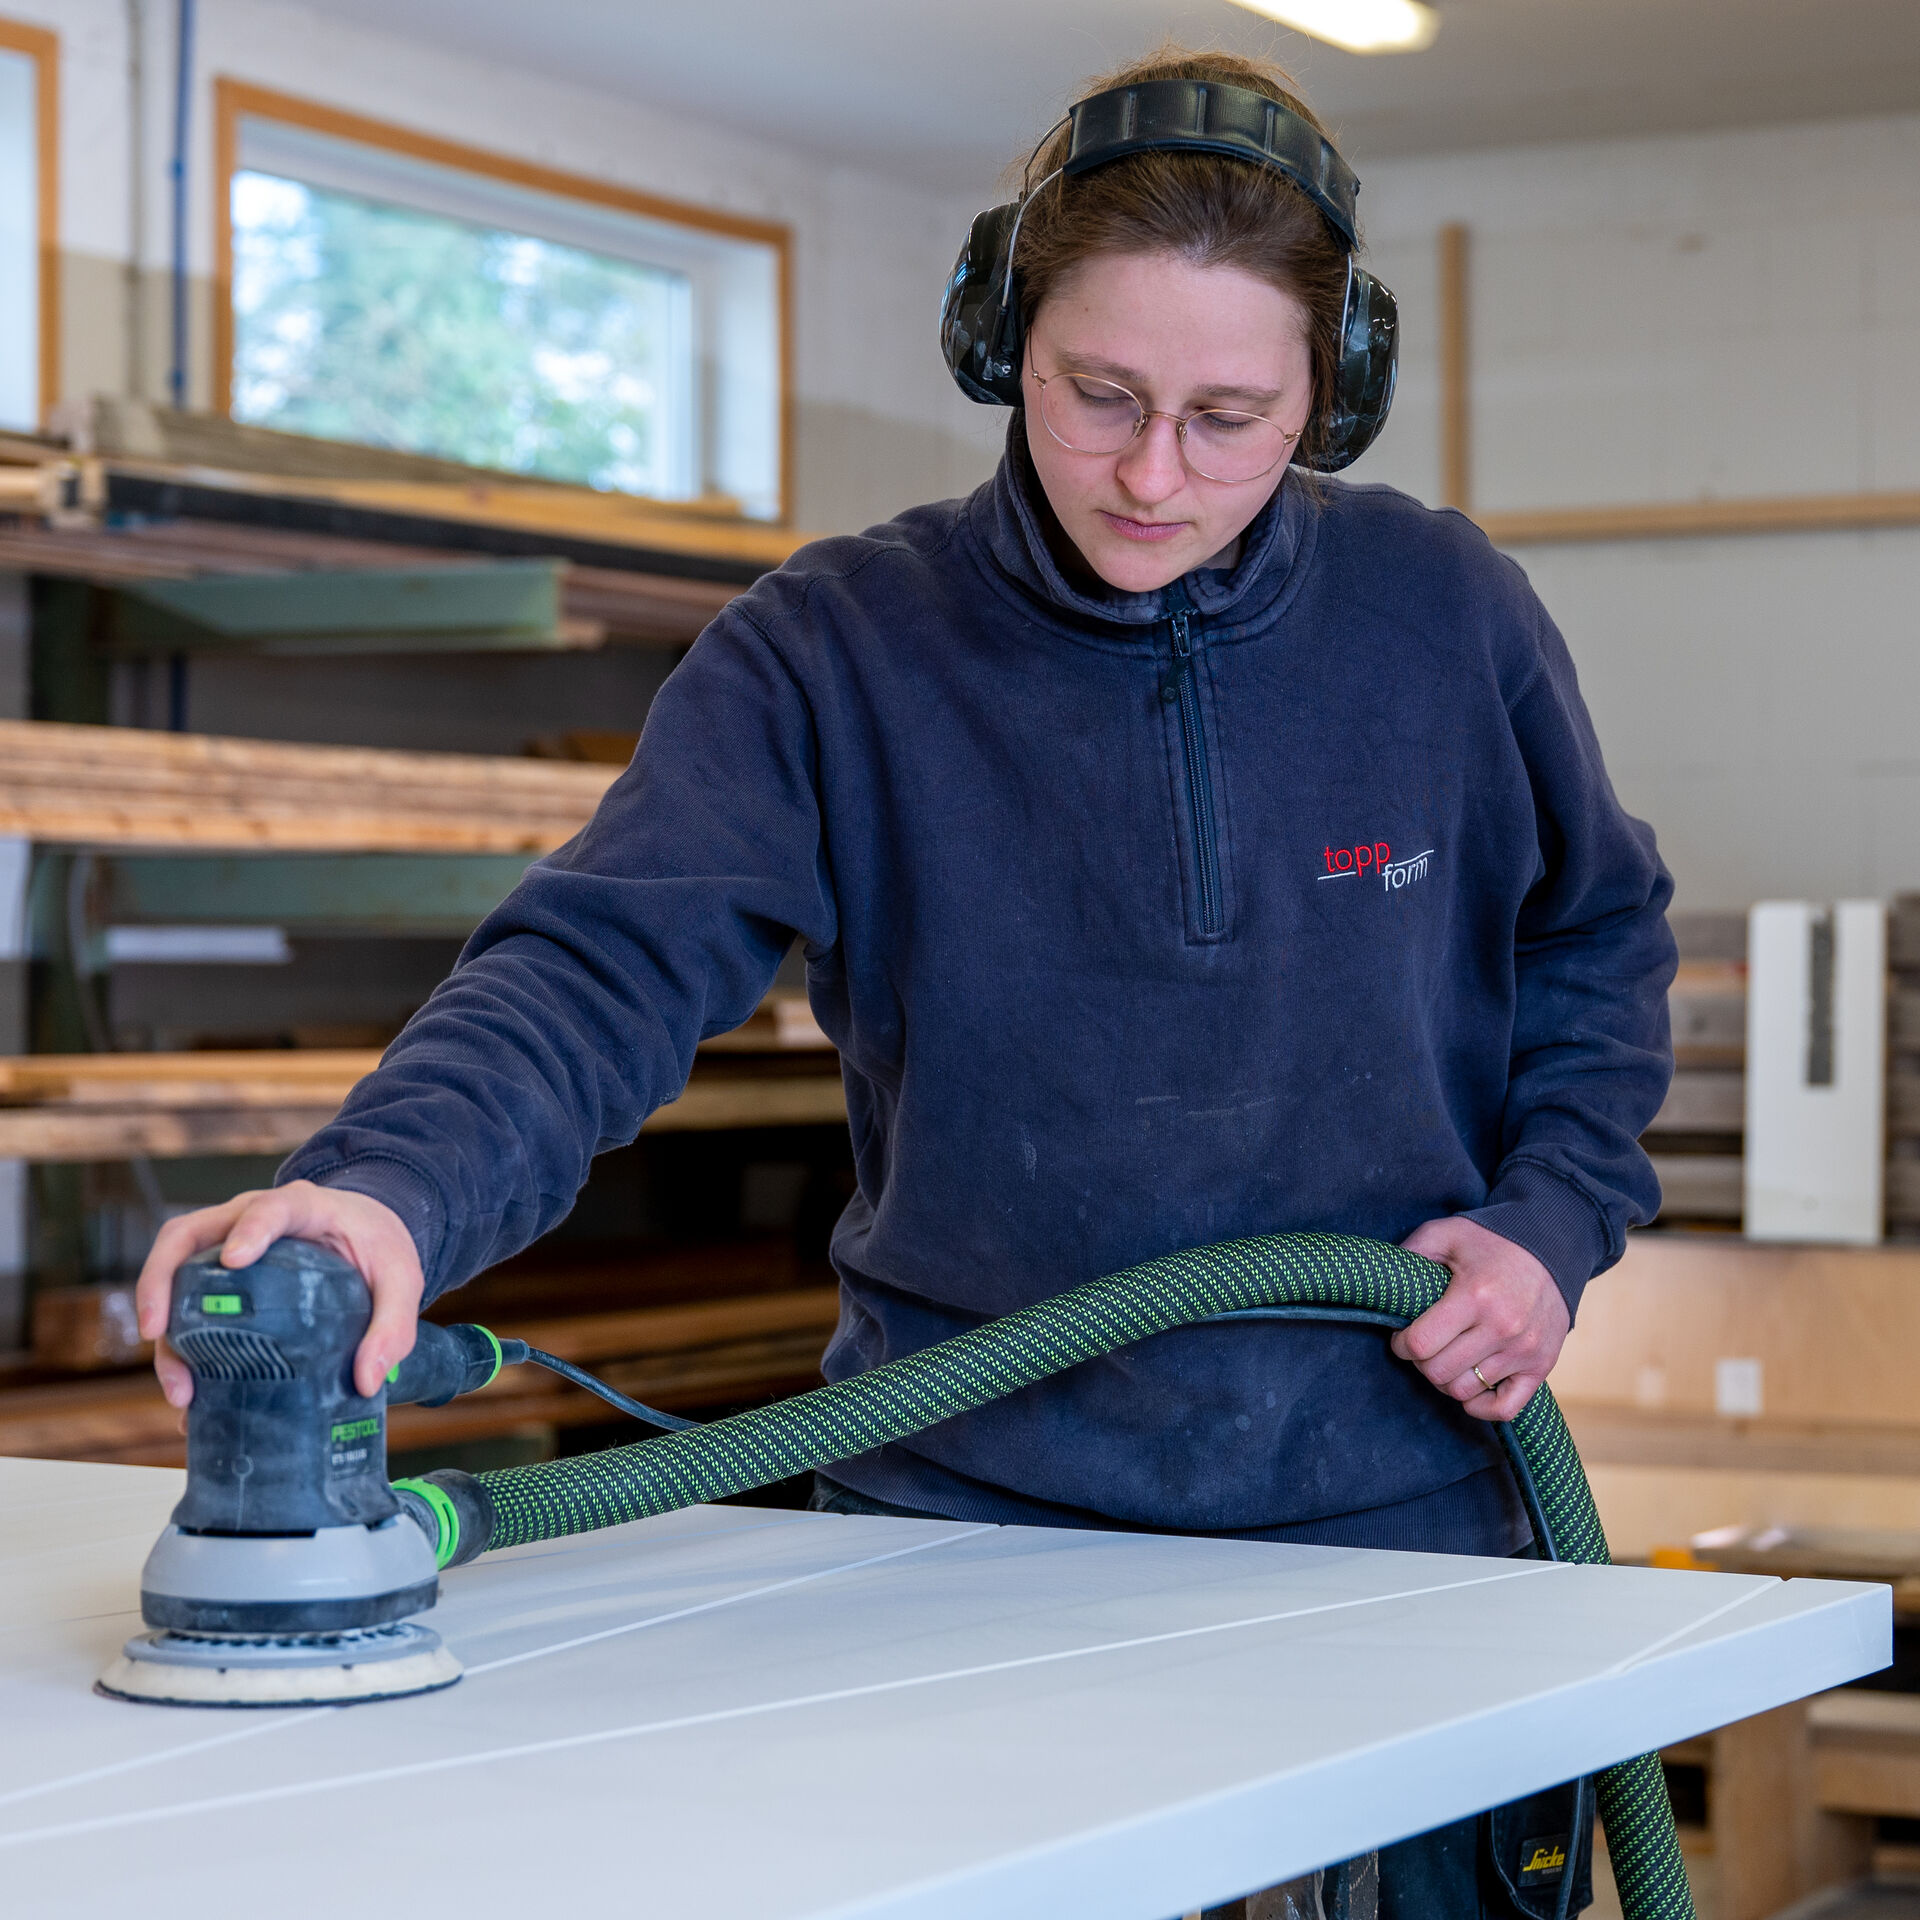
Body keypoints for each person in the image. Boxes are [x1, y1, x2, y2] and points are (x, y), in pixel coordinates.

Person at [137, 44, 1674, 1920]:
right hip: (969, 1529)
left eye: (1230, 416)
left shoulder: (1446, 615)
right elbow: (600, 968)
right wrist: (379, 1191)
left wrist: (1553, 1221)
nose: (1151, 473)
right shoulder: (832, 651)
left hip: (1406, 1514)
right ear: (995, 335)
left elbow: (1593, 938)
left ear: (1330, 394)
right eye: (1097, 393)